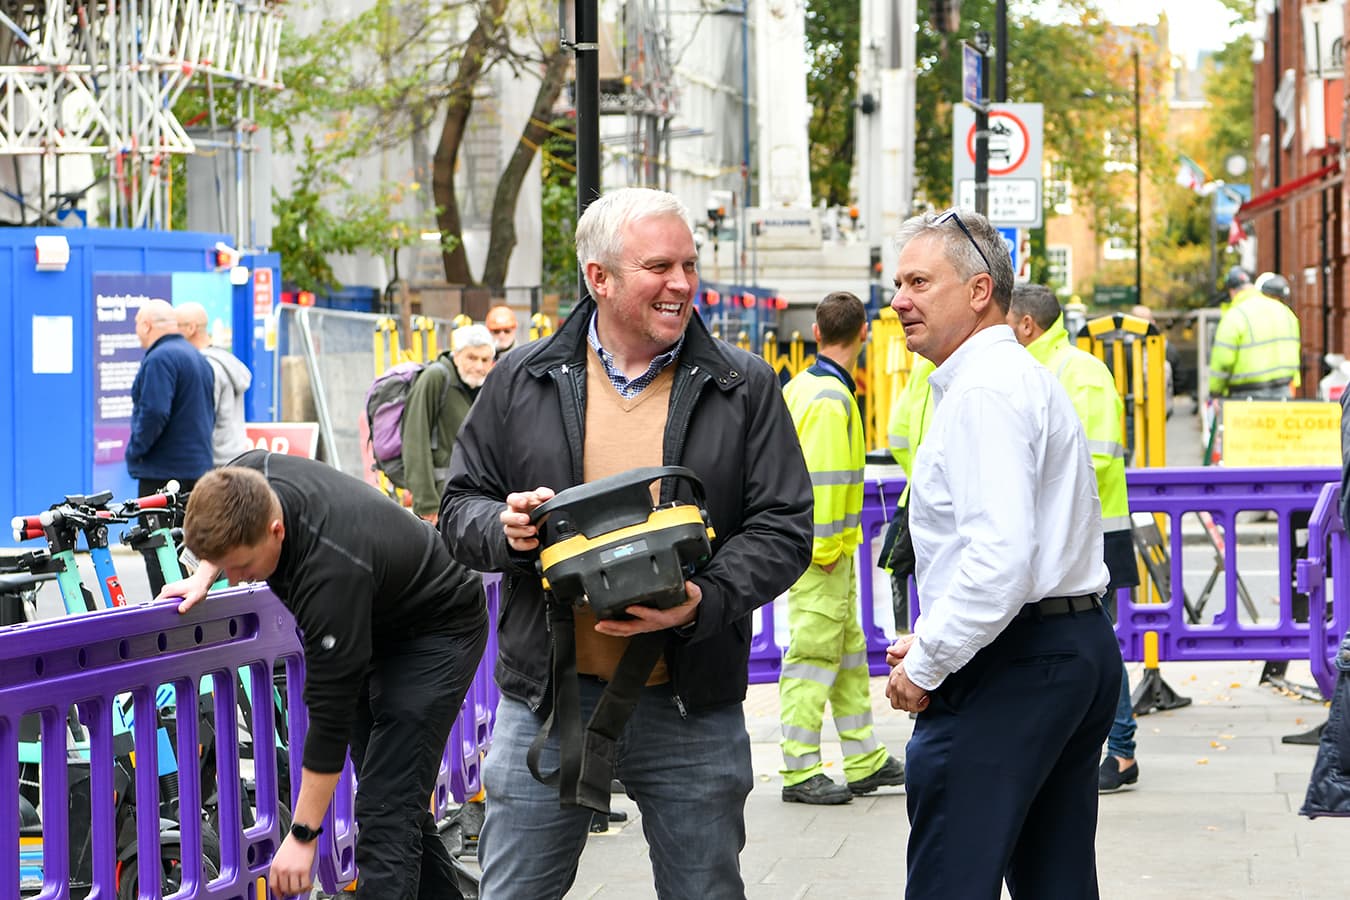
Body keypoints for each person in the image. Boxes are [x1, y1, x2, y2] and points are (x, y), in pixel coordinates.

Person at [439, 186, 813, 899]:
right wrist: (506, 529)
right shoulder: (523, 377)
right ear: (599, 277)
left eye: (688, 267)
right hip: (548, 704)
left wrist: (703, 599)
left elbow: (784, 526)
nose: (680, 285)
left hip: (688, 705)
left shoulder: (744, 385)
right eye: (658, 267)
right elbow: (460, 505)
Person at [885, 208, 1120, 899]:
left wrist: (928, 663)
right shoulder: (1009, 379)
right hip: (1058, 646)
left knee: (950, 881)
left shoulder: (986, 391)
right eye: (898, 283)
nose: (899, 300)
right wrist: (937, 638)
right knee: (1056, 879)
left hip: (1016, 664)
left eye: (920, 282)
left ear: (980, 290)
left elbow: (999, 560)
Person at [157, 450, 488, 900]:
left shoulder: (329, 569)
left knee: (387, 805)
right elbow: (222, 516)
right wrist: (204, 574)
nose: (235, 582)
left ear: (276, 530)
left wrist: (302, 835)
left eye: (244, 568)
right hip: (374, 618)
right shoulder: (250, 476)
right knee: (394, 795)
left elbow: (329, 719)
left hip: (437, 630)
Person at [1008, 283, 1144, 793]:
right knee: (1078, 642)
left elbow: (1100, 454)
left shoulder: (1077, 370)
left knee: (1095, 642)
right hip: (1067, 533)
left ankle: (1123, 749)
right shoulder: (1041, 369)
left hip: (1092, 533)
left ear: (1027, 325)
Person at [779, 291, 905, 805]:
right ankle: (799, 770)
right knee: (812, 656)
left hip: (821, 551)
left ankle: (864, 757)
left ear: (815, 332)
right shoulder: (832, 400)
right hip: (823, 553)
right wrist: (827, 548)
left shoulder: (802, 387)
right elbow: (824, 482)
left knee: (849, 653)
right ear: (865, 336)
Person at [402, 323, 494, 523]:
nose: (479, 366)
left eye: (485, 359)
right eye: (472, 357)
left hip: (471, 499)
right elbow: (415, 439)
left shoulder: (483, 385)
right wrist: (427, 504)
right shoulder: (436, 377)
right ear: (457, 354)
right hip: (439, 499)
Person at [126, 298, 216, 496]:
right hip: (198, 473)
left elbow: (154, 412)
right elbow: (210, 413)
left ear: (146, 326)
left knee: (157, 528)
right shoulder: (198, 357)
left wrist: (135, 451)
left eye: (137, 324)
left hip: (164, 476)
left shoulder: (159, 359)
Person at [880, 354, 936, 633]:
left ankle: (904, 640)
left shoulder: (923, 368)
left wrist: (916, 472)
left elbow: (897, 432)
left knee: (901, 568)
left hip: (916, 496)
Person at [175, 301, 254, 467]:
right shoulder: (227, 361)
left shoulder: (204, 368)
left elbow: (201, 419)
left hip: (214, 464)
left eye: (176, 326)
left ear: (191, 328)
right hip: (236, 457)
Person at [1208, 271, 1301, 401]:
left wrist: (1215, 392)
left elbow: (1223, 361)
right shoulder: (1286, 312)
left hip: (1245, 396)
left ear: (1232, 292)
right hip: (1283, 392)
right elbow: (1294, 353)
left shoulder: (1235, 316)